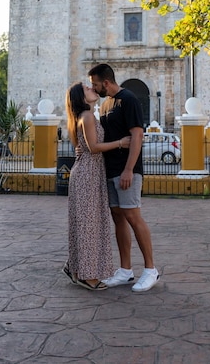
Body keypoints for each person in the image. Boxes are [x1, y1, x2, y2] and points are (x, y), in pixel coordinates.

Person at [88, 63, 159, 293]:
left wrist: (129, 169)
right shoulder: (105, 104)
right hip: (110, 169)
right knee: (118, 217)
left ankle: (150, 270)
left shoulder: (128, 99)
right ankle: (125, 270)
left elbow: (137, 135)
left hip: (127, 169)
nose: (93, 88)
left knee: (133, 215)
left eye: (95, 84)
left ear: (105, 82)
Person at [62, 81, 131, 291]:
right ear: (81, 98)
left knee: (82, 225)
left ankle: (75, 268)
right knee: (89, 225)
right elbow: (92, 147)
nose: (93, 89)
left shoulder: (82, 117)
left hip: (85, 172)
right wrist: (121, 143)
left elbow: (83, 146)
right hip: (88, 174)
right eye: (87, 89)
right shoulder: (88, 116)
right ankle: (88, 276)